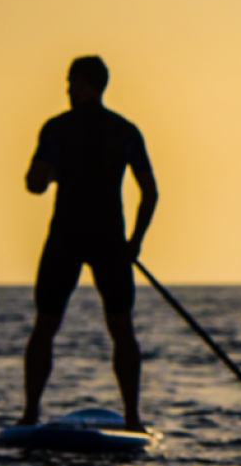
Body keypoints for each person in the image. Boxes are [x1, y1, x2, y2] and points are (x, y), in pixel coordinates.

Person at [20, 55, 158, 431]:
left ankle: (31, 414)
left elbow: (33, 183)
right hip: (110, 240)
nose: (66, 90)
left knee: (45, 326)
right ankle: (132, 419)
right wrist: (135, 242)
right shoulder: (126, 131)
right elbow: (150, 193)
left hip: (66, 236)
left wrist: (52, 174)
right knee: (122, 328)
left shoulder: (56, 128)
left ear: (83, 84)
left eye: (69, 82)